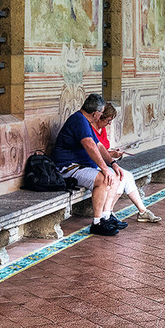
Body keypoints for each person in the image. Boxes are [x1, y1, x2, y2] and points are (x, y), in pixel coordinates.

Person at [51, 93, 122, 235]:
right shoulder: (79, 120)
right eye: (101, 113)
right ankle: (97, 223)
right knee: (103, 179)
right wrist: (104, 169)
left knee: (113, 175)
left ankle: (105, 217)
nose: (101, 116)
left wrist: (112, 164)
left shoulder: (84, 121)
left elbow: (99, 146)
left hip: (79, 167)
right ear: (96, 114)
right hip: (67, 168)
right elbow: (90, 146)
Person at [94, 103, 160, 222]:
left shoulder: (101, 129)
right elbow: (95, 153)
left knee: (126, 176)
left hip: (104, 164)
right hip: (95, 165)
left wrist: (113, 154)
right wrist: (111, 155)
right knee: (120, 177)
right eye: (108, 120)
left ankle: (141, 211)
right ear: (99, 117)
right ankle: (108, 214)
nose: (109, 124)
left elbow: (104, 150)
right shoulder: (91, 130)